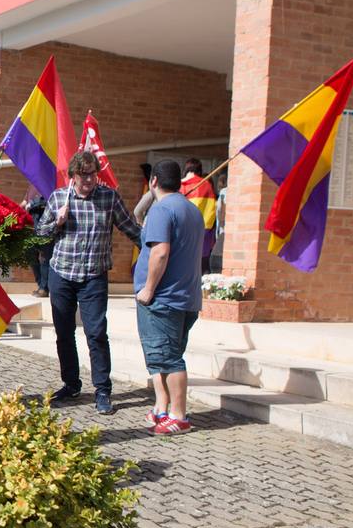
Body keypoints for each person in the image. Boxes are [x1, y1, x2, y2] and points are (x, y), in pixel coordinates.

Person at [38, 150, 142, 415]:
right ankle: (71, 384)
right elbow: (40, 235)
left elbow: (130, 227)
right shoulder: (59, 197)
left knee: (96, 333)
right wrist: (56, 223)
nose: (88, 180)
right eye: (83, 175)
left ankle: (102, 390)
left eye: (92, 174)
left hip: (94, 276)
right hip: (61, 274)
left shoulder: (109, 198)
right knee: (64, 333)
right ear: (73, 175)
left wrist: (153, 247)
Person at [133, 160, 205, 435]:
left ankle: (179, 415)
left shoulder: (162, 209)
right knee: (161, 356)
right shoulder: (192, 210)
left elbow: (160, 252)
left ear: (153, 182)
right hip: (185, 296)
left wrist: (149, 289)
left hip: (164, 298)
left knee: (169, 358)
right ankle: (162, 407)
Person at [180, 158, 219, 270]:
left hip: (180, 230)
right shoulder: (206, 185)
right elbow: (210, 212)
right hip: (199, 231)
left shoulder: (177, 185)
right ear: (199, 170)